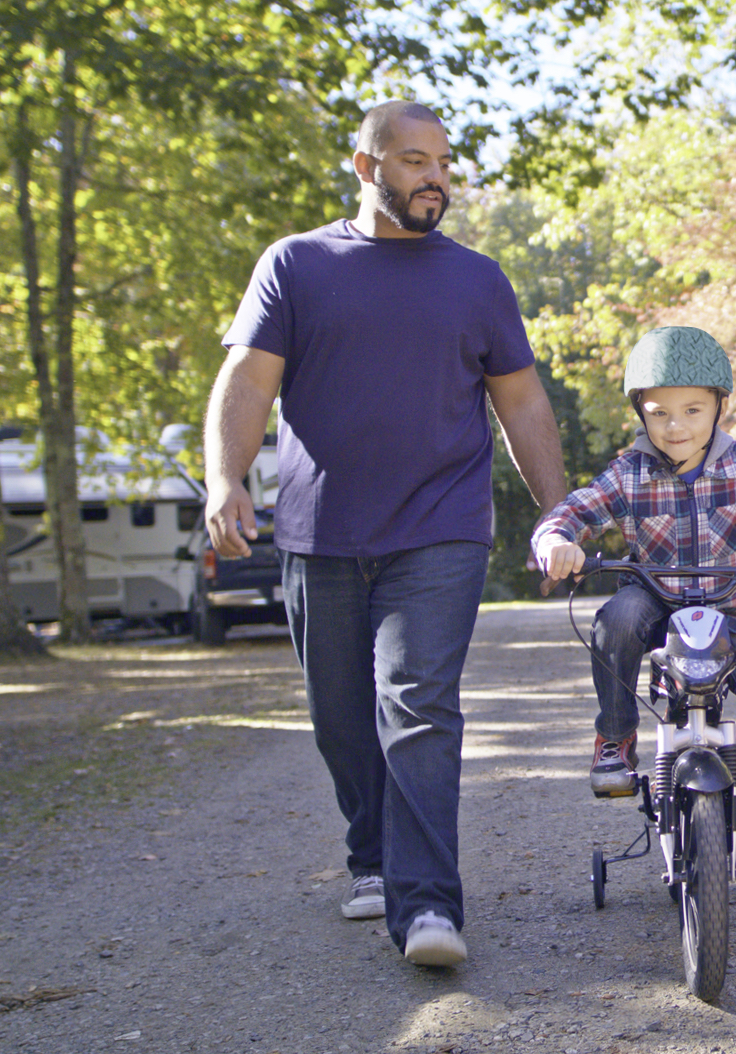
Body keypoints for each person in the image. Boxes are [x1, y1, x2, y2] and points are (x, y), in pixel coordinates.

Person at [204, 99, 567, 968]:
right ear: (366, 168)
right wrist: (226, 478)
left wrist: (557, 507)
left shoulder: (477, 280)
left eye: (442, 162)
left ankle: (430, 905)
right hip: (318, 531)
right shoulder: (296, 264)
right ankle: (371, 858)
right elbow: (248, 381)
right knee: (340, 715)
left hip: (440, 526)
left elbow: (520, 402)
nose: (434, 177)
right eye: (413, 162)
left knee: (417, 703)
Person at [531, 326, 736, 873]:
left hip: (725, 608)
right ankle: (616, 736)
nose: (676, 426)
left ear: (719, 406)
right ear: (641, 414)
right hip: (653, 603)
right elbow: (575, 509)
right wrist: (556, 539)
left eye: (693, 410)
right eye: (660, 412)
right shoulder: (629, 472)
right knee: (615, 620)